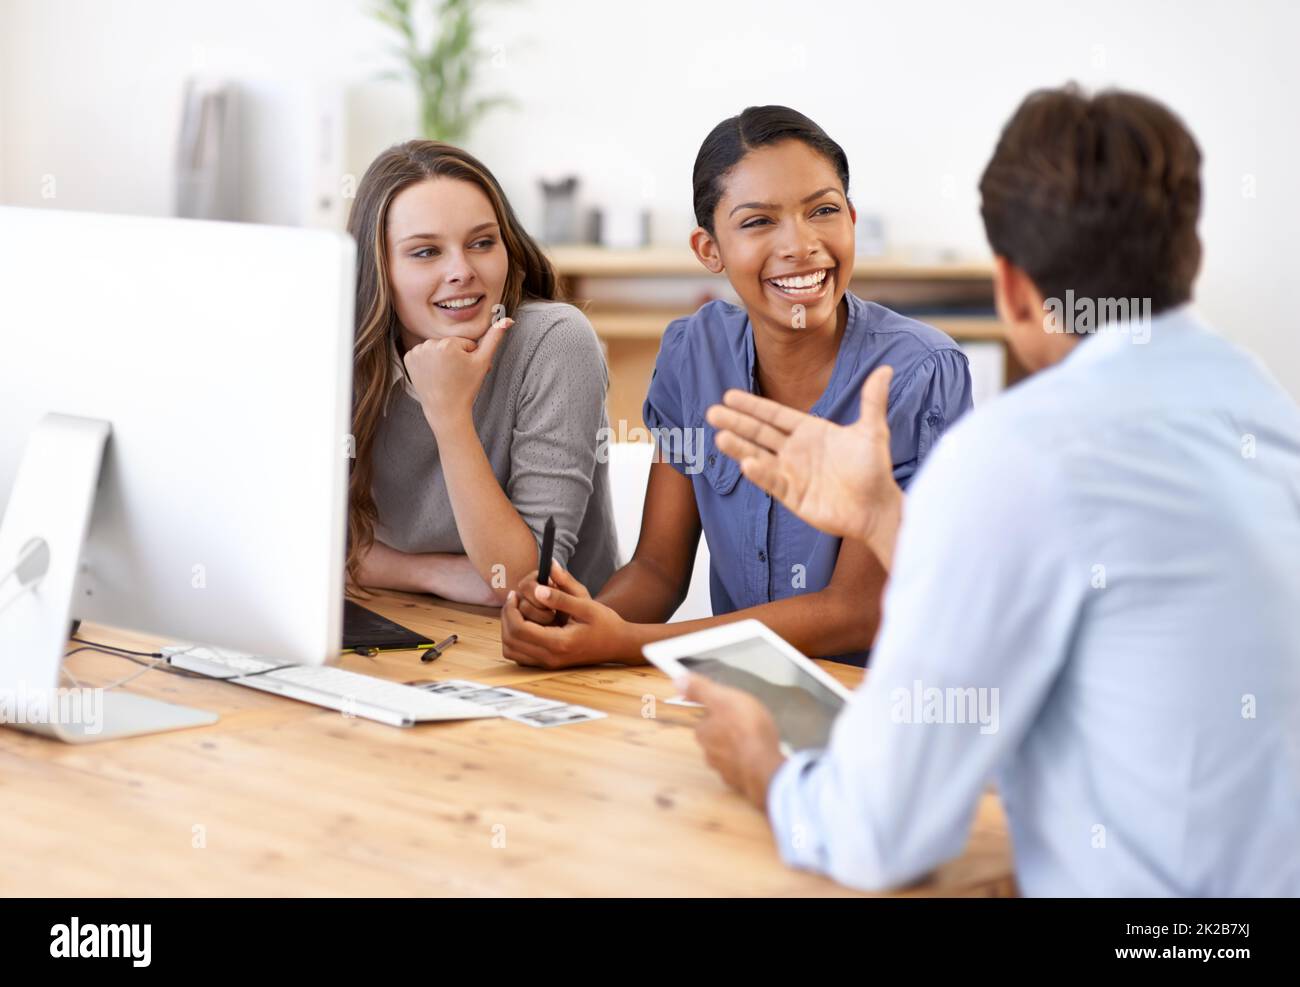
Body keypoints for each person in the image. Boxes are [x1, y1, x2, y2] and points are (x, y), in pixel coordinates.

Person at [685, 86, 1300, 895]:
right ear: (1190, 256)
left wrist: (767, 770)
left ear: (1011, 289)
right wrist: (885, 516)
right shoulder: (1263, 409)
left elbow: (883, 836)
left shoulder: (1019, 454)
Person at [500, 106, 972, 669]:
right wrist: (580, 621)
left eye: (822, 211)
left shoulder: (921, 371)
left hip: (881, 706)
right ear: (709, 249)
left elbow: (857, 609)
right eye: (758, 222)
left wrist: (625, 642)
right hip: (744, 694)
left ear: (850, 217)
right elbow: (657, 570)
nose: (800, 245)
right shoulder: (692, 355)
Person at [344, 140, 618, 605]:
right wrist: (434, 574)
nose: (462, 271)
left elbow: (525, 583)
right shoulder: (343, 350)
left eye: (481, 243)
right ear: (379, 269)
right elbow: (305, 542)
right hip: (399, 617)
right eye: (426, 252)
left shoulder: (555, 342)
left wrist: (449, 414)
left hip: (553, 650)